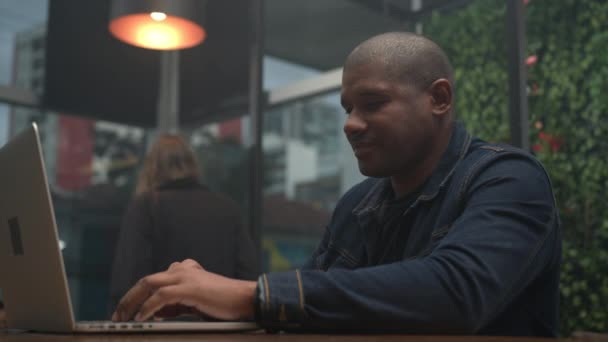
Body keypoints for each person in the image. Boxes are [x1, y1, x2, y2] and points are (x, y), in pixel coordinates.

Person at [112, 32, 561, 336]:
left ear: (439, 99)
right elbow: (312, 305)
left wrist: (250, 294)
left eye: (373, 103)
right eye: (347, 107)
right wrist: (207, 309)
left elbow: (457, 293)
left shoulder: (508, 179)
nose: (350, 124)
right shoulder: (357, 204)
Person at [109, 134, 259, 310]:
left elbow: (128, 281)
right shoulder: (228, 208)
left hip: (162, 327)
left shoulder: (146, 206)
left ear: (151, 168)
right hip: (221, 325)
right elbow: (248, 278)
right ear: (193, 164)